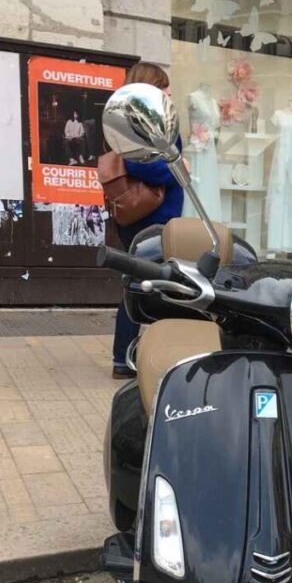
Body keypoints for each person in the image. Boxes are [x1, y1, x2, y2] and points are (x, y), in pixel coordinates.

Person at [107, 62, 185, 379]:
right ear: (149, 88)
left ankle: (130, 356)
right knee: (142, 286)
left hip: (149, 215)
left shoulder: (138, 119)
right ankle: (125, 360)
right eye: (163, 87)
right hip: (149, 217)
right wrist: (178, 168)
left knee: (144, 285)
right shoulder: (134, 121)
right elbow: (139, 165)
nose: (168, 92)